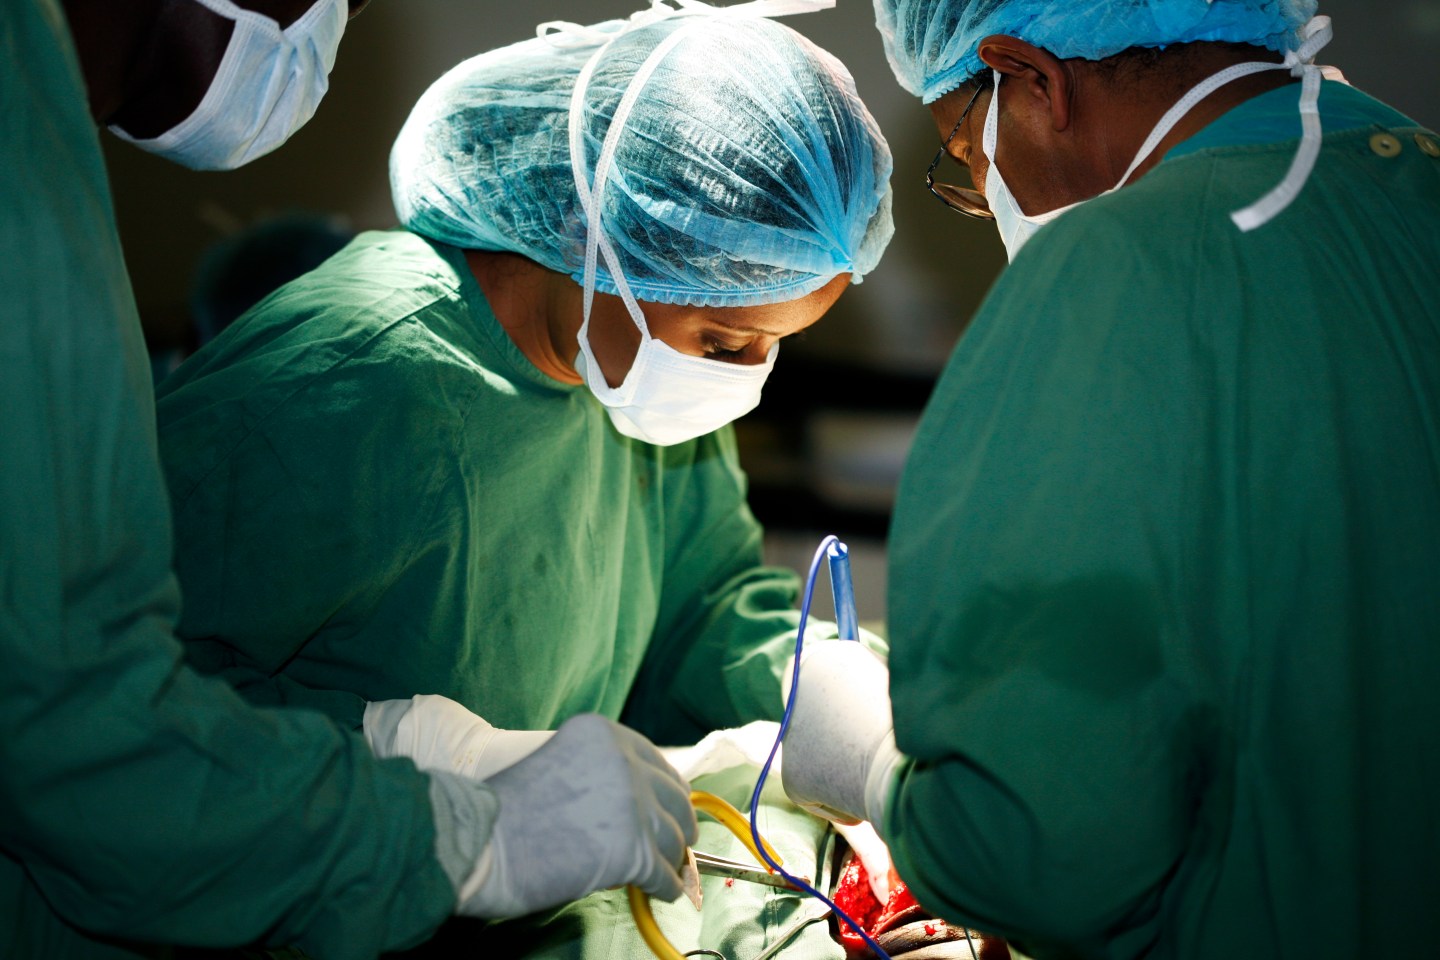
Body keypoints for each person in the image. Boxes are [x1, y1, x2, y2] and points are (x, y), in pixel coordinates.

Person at [152, 2, 892, 949]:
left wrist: (829, 704)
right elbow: (114, 720)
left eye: (773, 345)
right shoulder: (347, 385)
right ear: (608, 234)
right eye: (726, 338)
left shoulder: (630, 377)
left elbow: (695, 602)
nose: (743, 378)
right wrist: (424, 767)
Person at [2, 0, 694, 956]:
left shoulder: (31, 126)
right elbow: (79, 736)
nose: (325, 31)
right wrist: (437, 820)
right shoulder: (352, 378)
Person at [780, 0, 1440, 957]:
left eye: (968, 158)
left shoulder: (1116, 275)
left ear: (1032, 80)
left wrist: (874, 769)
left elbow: (1037, 853)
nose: (984, 187)